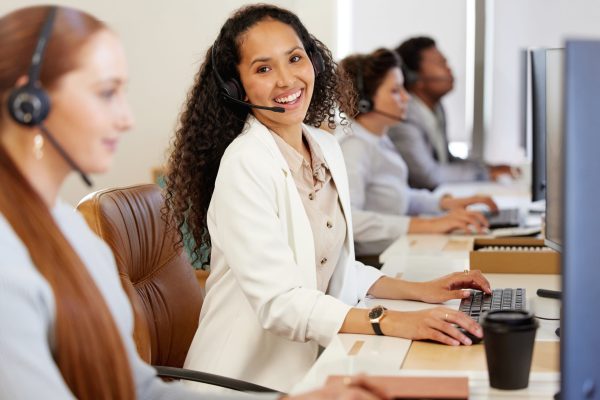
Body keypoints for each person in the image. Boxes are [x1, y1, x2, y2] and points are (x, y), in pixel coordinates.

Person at [0, 5, 387, 400]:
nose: (126, 118)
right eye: (105, 92)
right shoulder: (9, 260)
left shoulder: (69, 233)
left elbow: (140, 388)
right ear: (27, 102)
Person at [164, 4, 492, 393]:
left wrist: (421, 289)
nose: (287, 80)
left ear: (314, 62)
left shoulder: (323, 146)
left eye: (295, 58)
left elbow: (333, 270)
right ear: (238, 86)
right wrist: (389, 319)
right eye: (263, 68)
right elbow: (280, 302)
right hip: (242, 380)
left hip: (312, 368)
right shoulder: (245, 164)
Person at [336, 49, 499, 256]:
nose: (406, 97)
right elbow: (350, 220)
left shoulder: (377, 137)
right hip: (375, 261)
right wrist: (429, 224)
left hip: (396, 249)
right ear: (364, 100)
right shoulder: (354, 146)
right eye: (395, 91)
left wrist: (445, 204)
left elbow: (394, 196)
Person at [387, 36, 515, 190]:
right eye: (441, 63)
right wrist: (484, 174)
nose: (449, 70)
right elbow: (427, 175)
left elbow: (445, 160)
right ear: (415, 77)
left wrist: (487, 168)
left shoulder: (436, 109)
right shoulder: (404, 115)